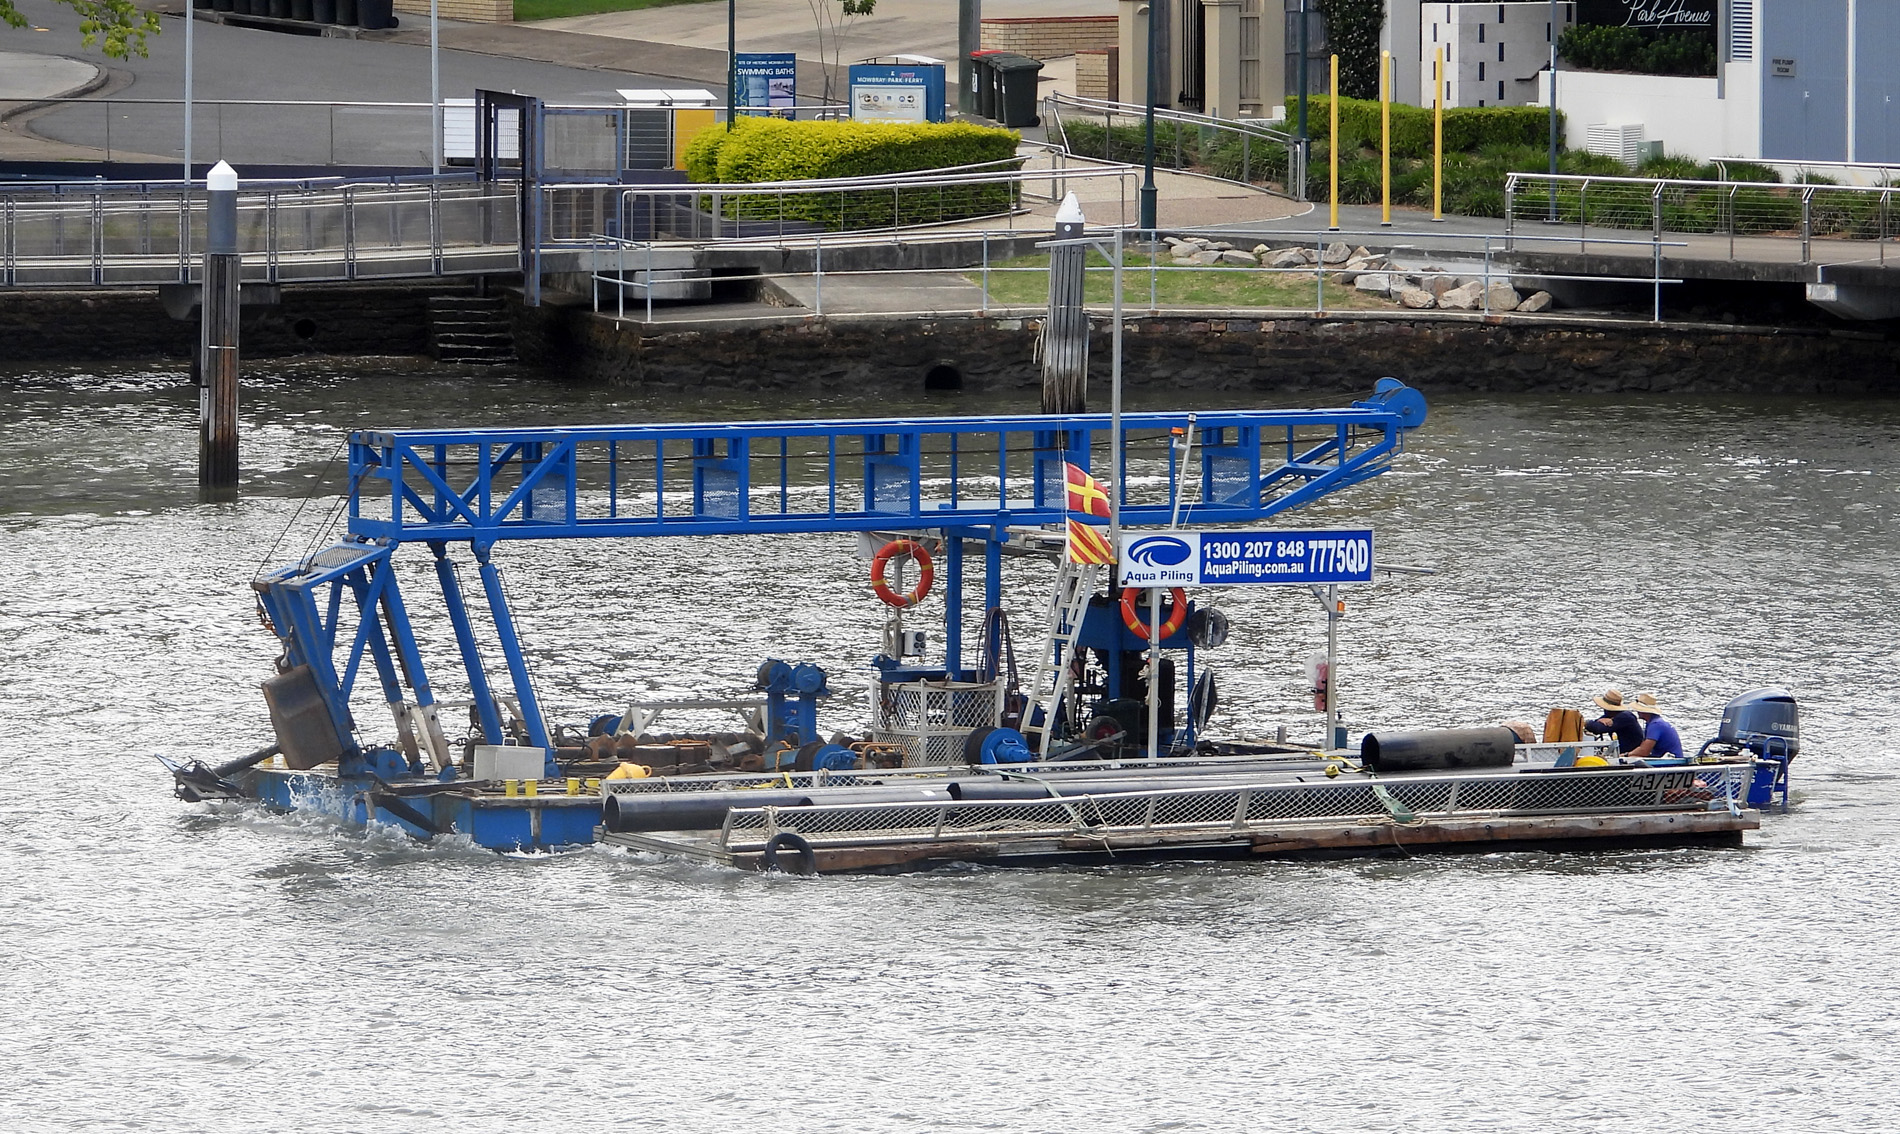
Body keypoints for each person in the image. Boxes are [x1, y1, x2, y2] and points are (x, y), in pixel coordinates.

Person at [1583, 688, 1644, 755]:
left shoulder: (1626, 717)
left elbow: (1598, 728)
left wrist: (1585, 723)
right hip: (1621, 751)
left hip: (1631, 754)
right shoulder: (1609, 716)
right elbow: (1595, 726)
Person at [1627, 691, 1684, 761]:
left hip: (1671, 761)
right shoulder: (1653, 723)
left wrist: (1626, 755)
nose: (1637, 711)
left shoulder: (1656, 725)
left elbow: (1644, 751)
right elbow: (1643, 746)